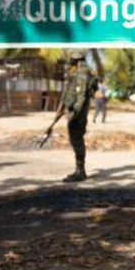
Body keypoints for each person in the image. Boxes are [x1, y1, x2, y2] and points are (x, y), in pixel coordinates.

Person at [50, 50, 98, 182]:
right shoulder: (78, 72)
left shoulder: (82, 73)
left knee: (76, 139)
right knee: (76, 139)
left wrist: (76, 113)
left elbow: (81, 96)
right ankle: (79, 170)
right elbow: (68, 94)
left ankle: (80, 171)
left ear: (77, 59)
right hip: (76, 112)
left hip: (77, 113)